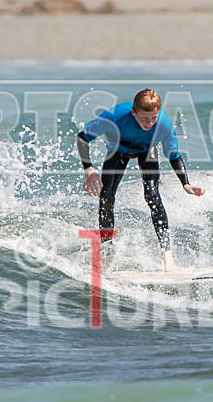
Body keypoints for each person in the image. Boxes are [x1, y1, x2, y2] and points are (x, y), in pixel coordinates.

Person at [76, 88, 204, 272]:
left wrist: (186, 183)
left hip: (147, 150)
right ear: (133, 112)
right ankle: (107, 252)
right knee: (107, 196)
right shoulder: (115, 117)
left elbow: (174, 156)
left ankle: (167, 256)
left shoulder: (163, 124)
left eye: (153, 117)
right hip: (118, 151)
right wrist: (88, 168)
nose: (149, 123)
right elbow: (82, 138)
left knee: (152, 195)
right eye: (144, 118)